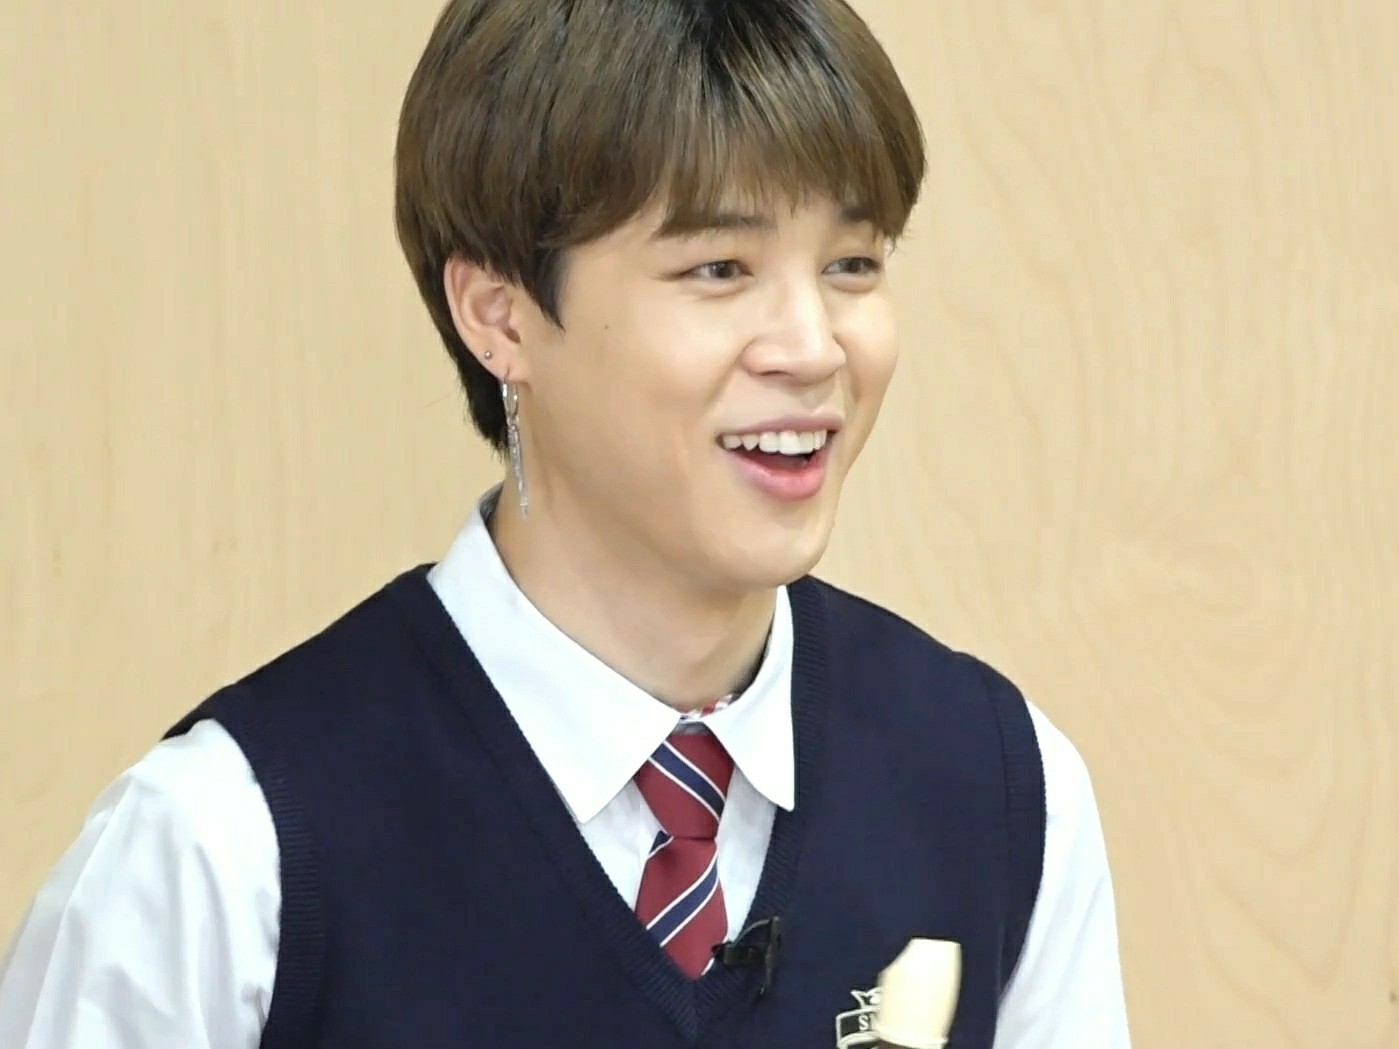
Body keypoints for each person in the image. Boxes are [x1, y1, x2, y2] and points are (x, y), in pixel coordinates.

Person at [0, 0, 1132, 1046]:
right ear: (498, 314)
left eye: (851, 263)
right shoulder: (223, 846)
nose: (811, 346)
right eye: (719, 267)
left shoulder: (997, 786)